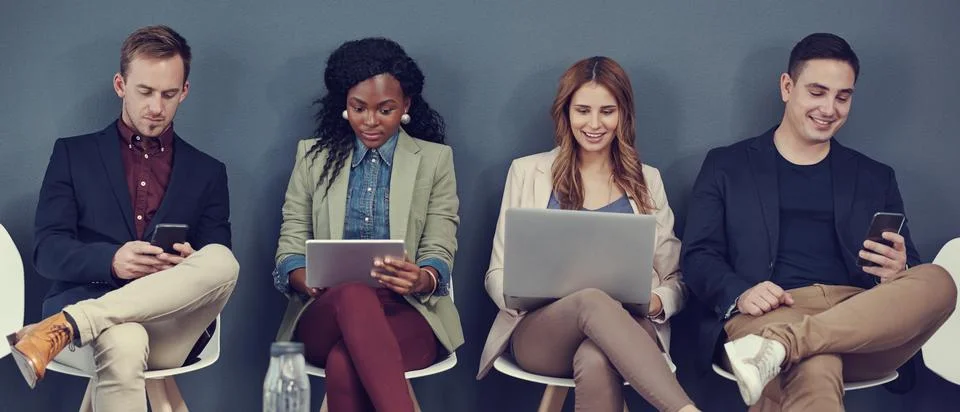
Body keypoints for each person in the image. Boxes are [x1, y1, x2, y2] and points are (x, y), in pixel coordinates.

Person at [681, 32, 957, 411]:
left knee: (938, 279)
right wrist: (740, 291)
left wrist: (898, 271)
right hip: (768, 313)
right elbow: (698, 255)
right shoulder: (728, 165)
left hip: (857, 318)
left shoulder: (875, 176)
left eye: (843, 97)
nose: (830, 108)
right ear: (786, 86)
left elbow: (904, 269)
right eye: (817, 92)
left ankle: (783, 346)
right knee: (816, 362)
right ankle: (786, 345)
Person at [7, 25, 239, 412]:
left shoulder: (208, 172)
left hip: (172, 325)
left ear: (184, 91)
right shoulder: (72, 155)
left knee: (222, 260)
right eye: (145, 92)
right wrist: (112, 261)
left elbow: (216, 268)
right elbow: (47, 252)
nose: (156, 107)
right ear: (120, 85)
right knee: (125, 340)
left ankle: (68, 324)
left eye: (168, 94)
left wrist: (185, 264)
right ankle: (83, 321)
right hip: (97, 313)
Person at [478, 57, 699, 412]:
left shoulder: (648, 180)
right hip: (542, 332)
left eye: (607, 111)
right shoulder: (526, 172)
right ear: (565, 113)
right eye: (582, 110)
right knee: (591, 299)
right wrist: (518, 293)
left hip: (630, 328)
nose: (594, 124)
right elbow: (496, 274)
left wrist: (656, 302)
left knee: (597, 356)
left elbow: (675, 279)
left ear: (623, 114)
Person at [272, 37, 464, 412]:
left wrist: (422, 277)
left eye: (385, 109)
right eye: (359, 108)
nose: (370, 121)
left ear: (406, 105)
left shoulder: (435, 161)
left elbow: (440, 246)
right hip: (326, 312)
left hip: (407, 312)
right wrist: (302, 277)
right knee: (353, 294)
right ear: (344, 104)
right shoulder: (312, 158)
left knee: (344, 364)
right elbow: (290, 246)